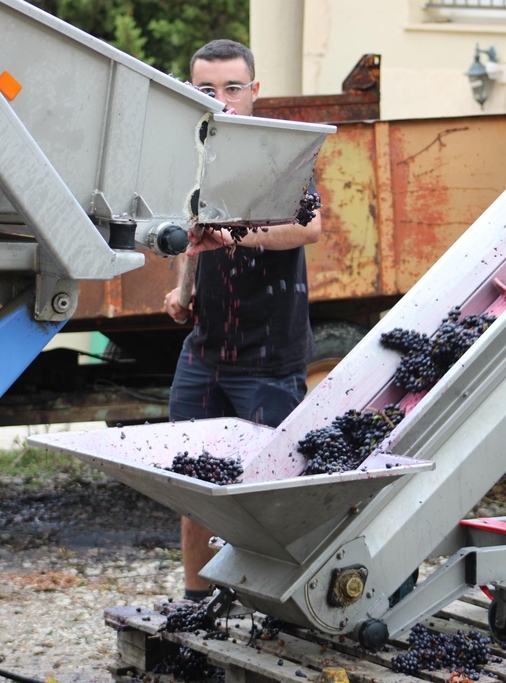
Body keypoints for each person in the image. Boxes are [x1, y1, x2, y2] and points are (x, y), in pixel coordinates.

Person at [162, 39, 322, 602]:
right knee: (192, 486)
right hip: (205, 352)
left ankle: (272, 607)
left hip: (268, 358)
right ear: (192, 92)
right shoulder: (193, 155)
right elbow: (191, 235)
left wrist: (234, 235)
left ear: (255, 90)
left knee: (268, 494)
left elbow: (308, 227)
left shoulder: (281, 152)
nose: (222, 99)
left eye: (233, 87)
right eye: (208, 89)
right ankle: (195, 603)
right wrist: (182, 291)